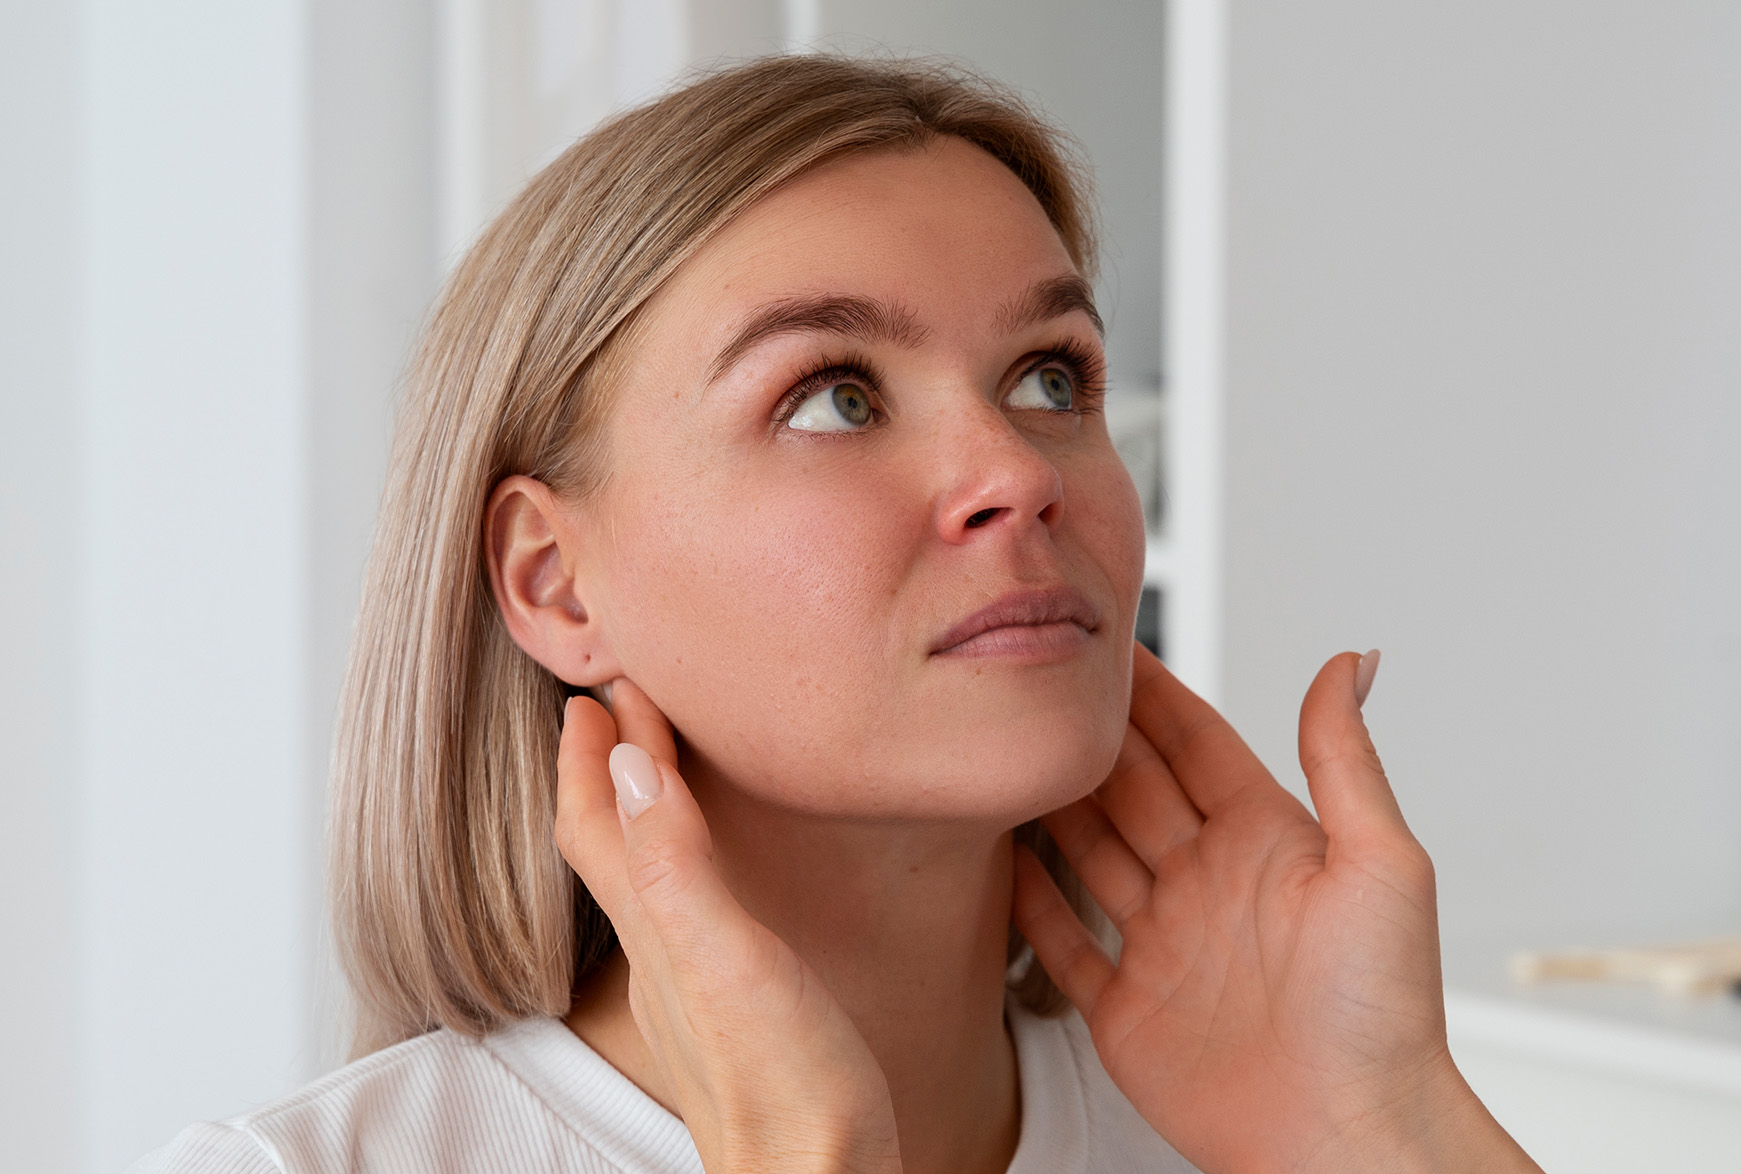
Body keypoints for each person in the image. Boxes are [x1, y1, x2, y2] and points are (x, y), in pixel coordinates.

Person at [131, 55, 1542, 1174]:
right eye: (833, 397)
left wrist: (1378, 1135)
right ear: (554, 581)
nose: (1013, 473)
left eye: (1052, 376)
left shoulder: (1265, 1131)